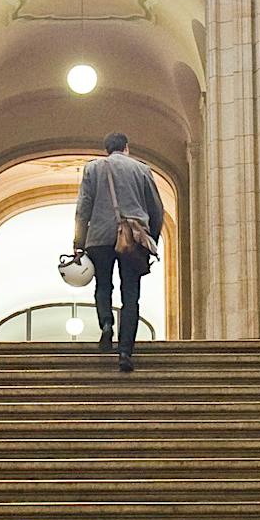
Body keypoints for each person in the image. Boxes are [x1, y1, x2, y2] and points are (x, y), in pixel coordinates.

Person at [71, 131, 164, 373]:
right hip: (132, 237)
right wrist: (150, 239)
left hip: (99, 238)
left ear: (106, 149)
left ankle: (106, 323)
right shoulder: (142, 169)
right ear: (127, 148)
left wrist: (79, 242)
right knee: (131, 295)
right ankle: (125, 351)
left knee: (103, 285)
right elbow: (156, 209)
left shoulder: (92, 169)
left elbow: (83, 207)